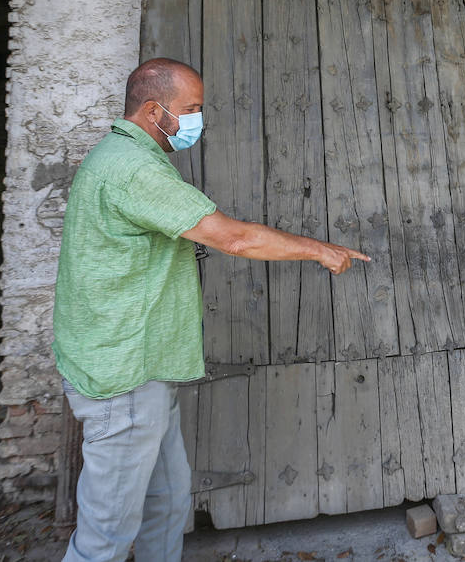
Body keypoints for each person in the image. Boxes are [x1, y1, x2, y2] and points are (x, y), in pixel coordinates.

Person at [53, 57, 368, 562]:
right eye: (191, 109)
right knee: (105, 537)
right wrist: (319, 249)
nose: (198, 120)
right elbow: (235, 238)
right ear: (155, 111)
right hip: (124, 377)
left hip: (143, 368)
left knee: (168, 504)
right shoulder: (132, 169)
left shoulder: (127, 158)